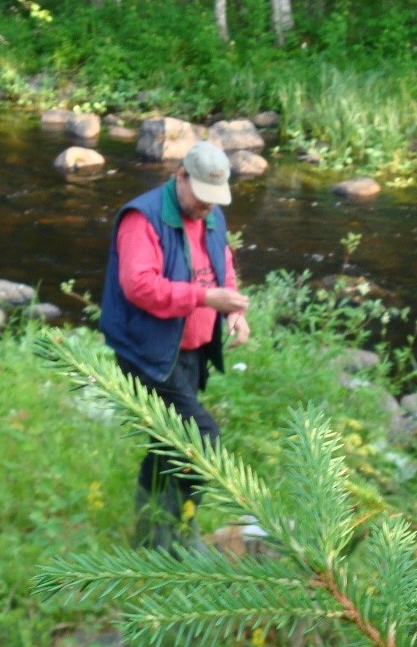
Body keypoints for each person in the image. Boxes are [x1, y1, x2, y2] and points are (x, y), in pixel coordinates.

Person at [100, 141, 251, 553]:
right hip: (148, 353)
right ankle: (181, 531)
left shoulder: (210, 215)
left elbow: (223, 267)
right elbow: (140, 287)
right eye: (201, 197)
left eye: (213, 200)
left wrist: (233, 312)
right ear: (180, 176)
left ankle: (152, 536)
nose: (207, 208)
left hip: (189, 352)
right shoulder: (143, 219)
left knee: (167, 443)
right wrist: (205, 300)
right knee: (201, 437)